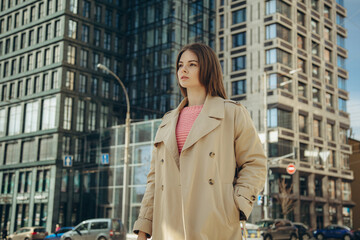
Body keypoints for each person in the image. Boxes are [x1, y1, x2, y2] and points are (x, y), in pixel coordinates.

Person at [133, 43, 267, 240]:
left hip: (214, 224)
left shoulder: (232, 113)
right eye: (180, 65)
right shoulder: (167, 121)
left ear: (207, 68)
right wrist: (144, 227)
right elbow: (154, 180)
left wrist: (236, 204)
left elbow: (255, 163)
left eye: (192, 64)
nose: (183, 69)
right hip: (168, 227)